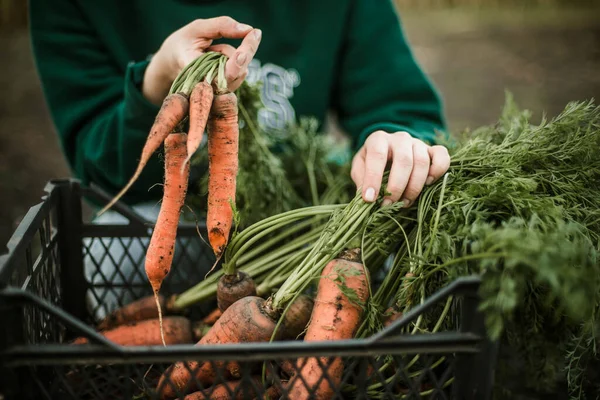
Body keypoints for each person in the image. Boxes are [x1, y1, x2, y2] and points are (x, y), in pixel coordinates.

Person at [29, 0, 451, 320]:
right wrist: (157, 81)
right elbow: (104, 169)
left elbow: (401, 104)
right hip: (170, 221)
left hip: (302, 217)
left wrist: (396, 141)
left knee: (416, 242)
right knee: (113, 258)